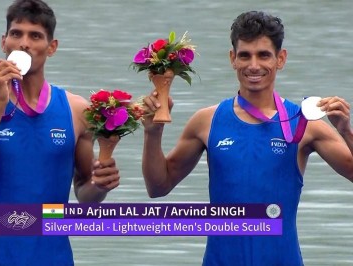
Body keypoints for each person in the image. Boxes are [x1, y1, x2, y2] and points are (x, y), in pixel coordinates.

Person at [142, 11, 353, 265]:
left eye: (264, 55)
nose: (254, 65)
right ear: (233, 59)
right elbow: (157, 187)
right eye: (245, 55)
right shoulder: (206, 121)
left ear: (280, 59)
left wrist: (346, 131)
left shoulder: (305, 124)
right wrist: (152, 133)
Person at [0, 0, 120, 265]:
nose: (24, 43)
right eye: (16, 34)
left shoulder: (77, 110)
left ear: (51, 47)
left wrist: (100, 185)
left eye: (35, 36)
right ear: (4, 42)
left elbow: (86, 196)